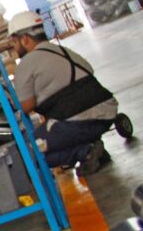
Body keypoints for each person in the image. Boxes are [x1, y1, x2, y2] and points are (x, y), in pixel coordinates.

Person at [9, 10, 117, 174]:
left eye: (15, 43)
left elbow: (26, 105)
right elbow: (89, 70)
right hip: (107, 114)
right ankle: (94, 149)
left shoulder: (26, 64)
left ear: (24, 39)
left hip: (77, 125)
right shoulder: (63, 50)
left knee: (25, 152)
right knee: (54, 129)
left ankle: (85, 152)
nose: (15, 48)